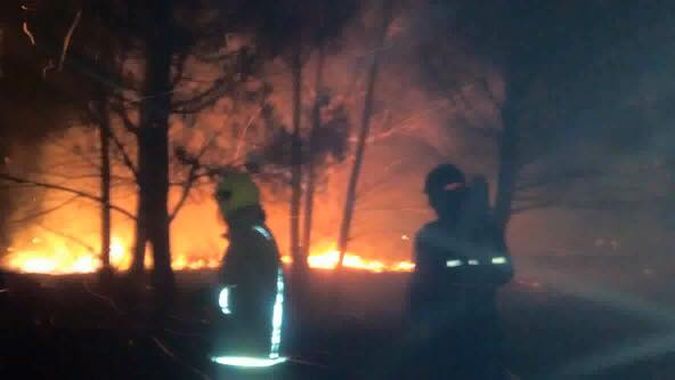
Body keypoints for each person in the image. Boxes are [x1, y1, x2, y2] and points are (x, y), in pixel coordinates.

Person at [408, 164, 514, 379]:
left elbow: (422, 285)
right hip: (477, 333)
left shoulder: (433, 234)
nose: (430, 203)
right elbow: (504, 271)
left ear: (443, 195)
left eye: (432, 196)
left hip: (457, 335)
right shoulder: (487, 229)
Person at [210, 172, 286, 368]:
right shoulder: (254, 235)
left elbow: (234, 291)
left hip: (247, 352)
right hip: (250, 348)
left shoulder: (249, 239)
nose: (219, 210)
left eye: (222, 201)